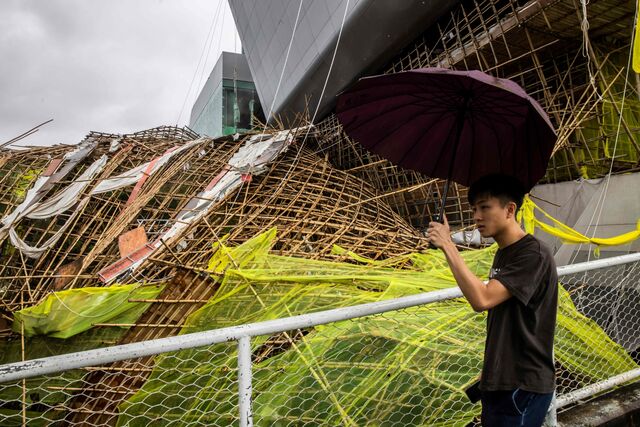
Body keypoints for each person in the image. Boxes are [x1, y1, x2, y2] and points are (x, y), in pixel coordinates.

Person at [426, 174, 558, 427]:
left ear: (510, 209)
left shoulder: (533, 254)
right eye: (474, 209)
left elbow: (482, 299)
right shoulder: (505, 253)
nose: (476, 216)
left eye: (485, 207)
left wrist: (448, 246)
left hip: (522, 385)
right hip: (501, 380)